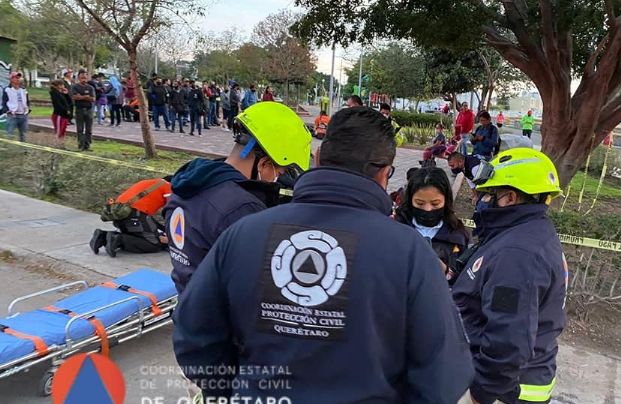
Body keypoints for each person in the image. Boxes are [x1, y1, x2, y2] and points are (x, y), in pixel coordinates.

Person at [172, 106, 474, 402]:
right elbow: (445, 374)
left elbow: (194, 337)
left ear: (317, 159)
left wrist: (243, 392)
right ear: (385, 174)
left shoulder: (243, 233)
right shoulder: (409, 252)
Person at [452, 148, 566, 404]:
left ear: (509, 198)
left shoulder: (518, 255)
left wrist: (478, 396)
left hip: (501, 392)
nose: (476, 199)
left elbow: (508, 338)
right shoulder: (526, 233)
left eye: (485, 193)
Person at [164, 102, 311, 293]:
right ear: (263, 165)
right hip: (218, 316)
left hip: (188, 304)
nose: (277, 179)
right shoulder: (241, 209)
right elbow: (261, 281)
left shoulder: (187, 183)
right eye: (279, 171)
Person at [395, 167, 469, 284]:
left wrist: (445, 271)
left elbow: (465, 279)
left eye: (435, 203)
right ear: (410, 200)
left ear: (446, 200)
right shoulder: (396, 227)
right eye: (420, 203)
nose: (428, 209)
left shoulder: (457, 234)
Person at [90, 177, 172, 257]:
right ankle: (118, 239)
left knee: (137, 236)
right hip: (135, 216)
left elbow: (149, 221)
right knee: (154, 244)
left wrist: (162, 230)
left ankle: (102, 236)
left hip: (120, 215)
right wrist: (169, 236)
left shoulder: (147, 183)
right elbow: (171, 210)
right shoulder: (168, 186)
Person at [70, 69, 96, 151]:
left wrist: (81, 96)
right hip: (79, 109)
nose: (84, 79)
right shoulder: (75, 87)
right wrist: (85, 97)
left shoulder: (90, 87)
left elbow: (93, 99)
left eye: (85, 77)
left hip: (89, 110)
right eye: (82, 77)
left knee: (89, 129)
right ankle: (80, 145)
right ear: (78, 78)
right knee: (80, 129)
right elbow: (74, 97)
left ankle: (87, 145)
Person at [1, 72, 31, 142]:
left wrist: (27, 109)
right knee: (9, 134)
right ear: (11, 79)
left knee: (23, 135)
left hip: (23, 115)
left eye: (19, 78)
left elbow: (27, 101)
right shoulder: (7, 90)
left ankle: (24, 151)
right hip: (12, 115)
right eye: (16, 77)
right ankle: (7, 149)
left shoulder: (23, 90)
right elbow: (4, 102)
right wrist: (7, 111)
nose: (18, 79)